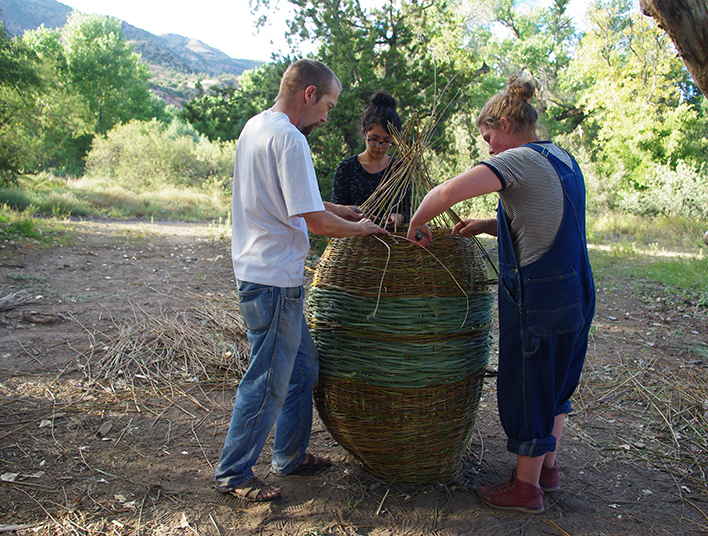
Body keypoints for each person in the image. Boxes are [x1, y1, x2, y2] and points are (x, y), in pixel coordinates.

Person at [406, 74, 595, 514]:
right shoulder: (561, 157)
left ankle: (525, 490)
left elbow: (445, 191)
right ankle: (546, 469)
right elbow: (547, 218)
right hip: (577, 291)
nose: (488, 147)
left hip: (540, 298)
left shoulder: (518, 160)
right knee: (556, 383)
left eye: (489, 136)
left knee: (529, 385)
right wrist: (487, 225)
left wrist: (416, 225)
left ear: (506, 122)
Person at [215, 59, 389, 502]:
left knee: (303, 370)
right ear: (308, 94)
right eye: (327, 104)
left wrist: (338, 208)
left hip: (265, 275)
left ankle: (289, 456)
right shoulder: (291, 138)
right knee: (269, 378)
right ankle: (234, 472)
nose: (328, 116)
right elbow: (315, 224)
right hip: (273, 280)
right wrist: (361, 227)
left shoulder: (257, 127)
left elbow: (291, 198)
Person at [331, 91, 409, 228]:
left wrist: (399, 217)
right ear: (364, 133)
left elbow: (408, 209)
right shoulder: (346, 168)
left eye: (387, 142)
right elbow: (336, 211)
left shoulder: (400, 169)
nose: (379, 146)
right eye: (374, 139)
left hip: (393, 243)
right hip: (354, 243)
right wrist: (357, 215)